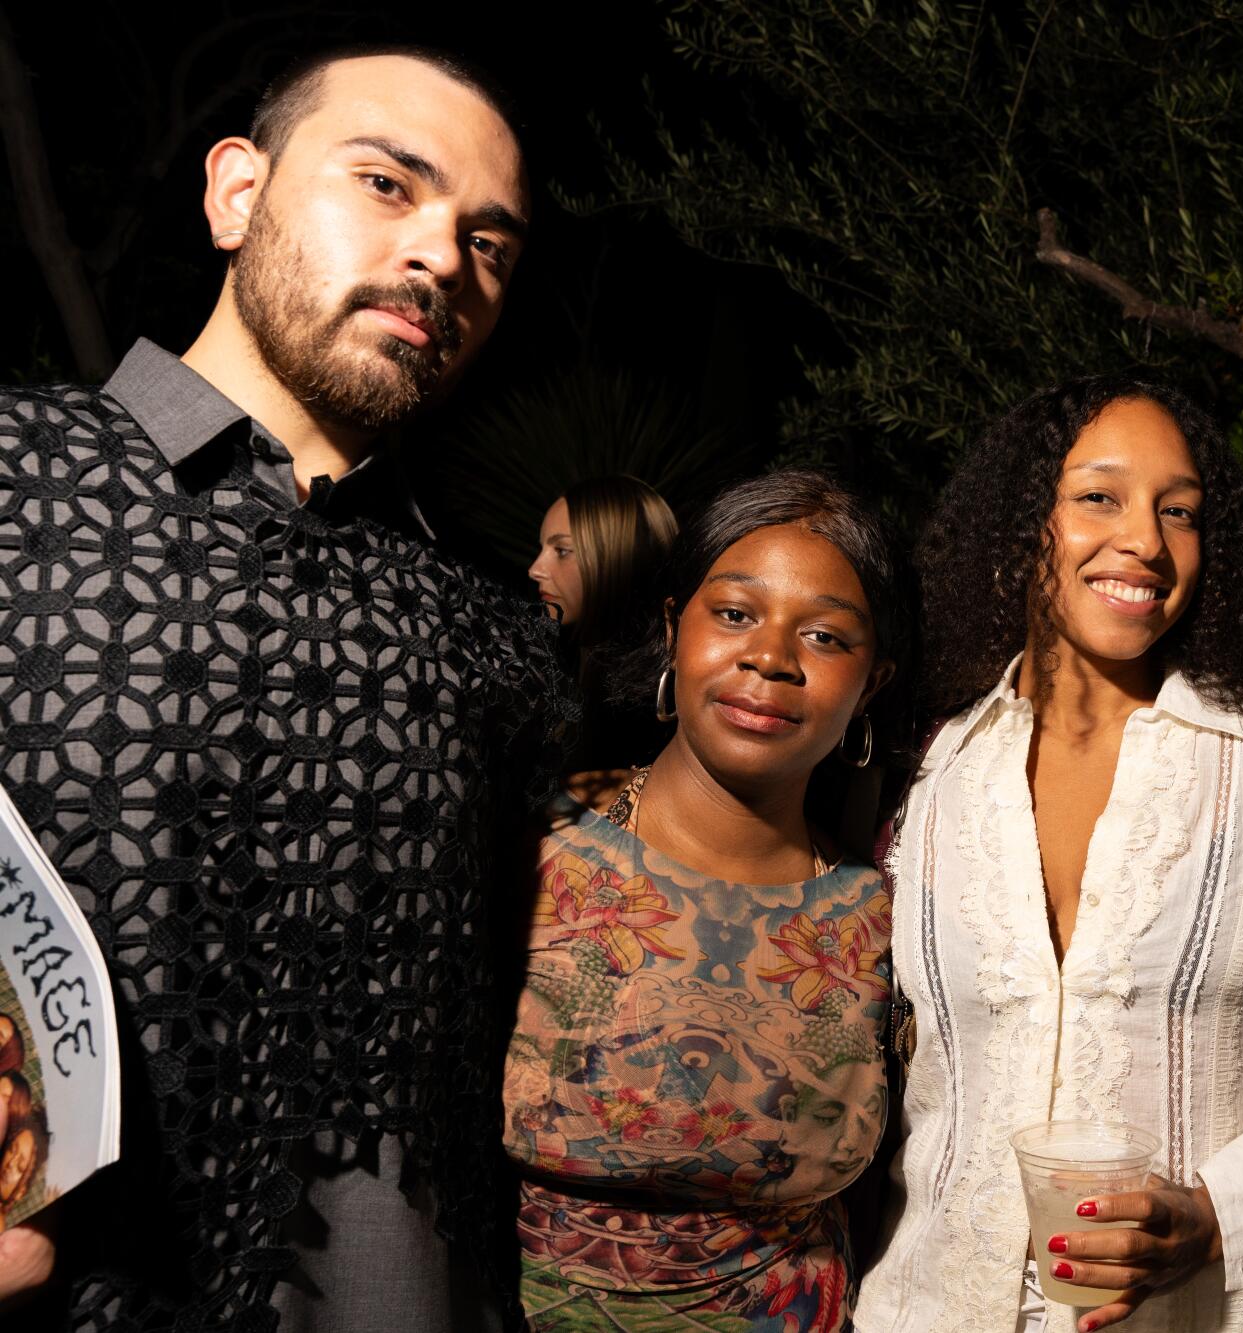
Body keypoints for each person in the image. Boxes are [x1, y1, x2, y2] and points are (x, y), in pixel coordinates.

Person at [0, 45, 567, 1331]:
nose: (439, 258)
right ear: (235, 195)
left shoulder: (493, 624)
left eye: (489, 244)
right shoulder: (14, 477)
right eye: (386, 184)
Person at [852, 370, 1243, 1333]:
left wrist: (1219, 1210)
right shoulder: (946, 768)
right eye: (1099, 497)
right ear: (1028, 520)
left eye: (1179, 512)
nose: (1146, 541)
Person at [504, 469, 904, 1331]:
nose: (769, 657)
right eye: (734, 614)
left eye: (827, 637)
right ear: (671, 628)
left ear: (871, 684)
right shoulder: (530, 854)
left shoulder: (885, 916)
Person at [529, 475, 681, 773]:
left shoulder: (640, 698)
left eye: (562, 551)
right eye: (542, 548)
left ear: (617, 555)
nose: (536, 569)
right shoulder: (579, 657)